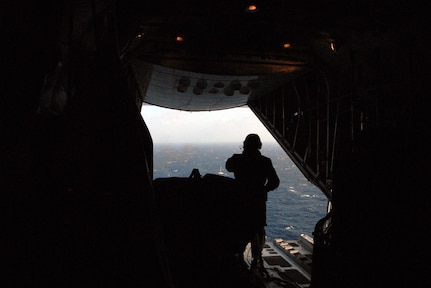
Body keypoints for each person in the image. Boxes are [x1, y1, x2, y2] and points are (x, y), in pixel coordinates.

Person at [225, 133, 280, 275]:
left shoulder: (236, 160)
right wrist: (262, 190)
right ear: (259, 146)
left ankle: (239, 259)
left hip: (240, 201)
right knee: (258, 230)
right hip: (257, 202)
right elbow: (275, 182)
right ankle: (257, 260)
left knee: (239, 229)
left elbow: (228, 167)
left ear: (245, 145)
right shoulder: (265, 161)